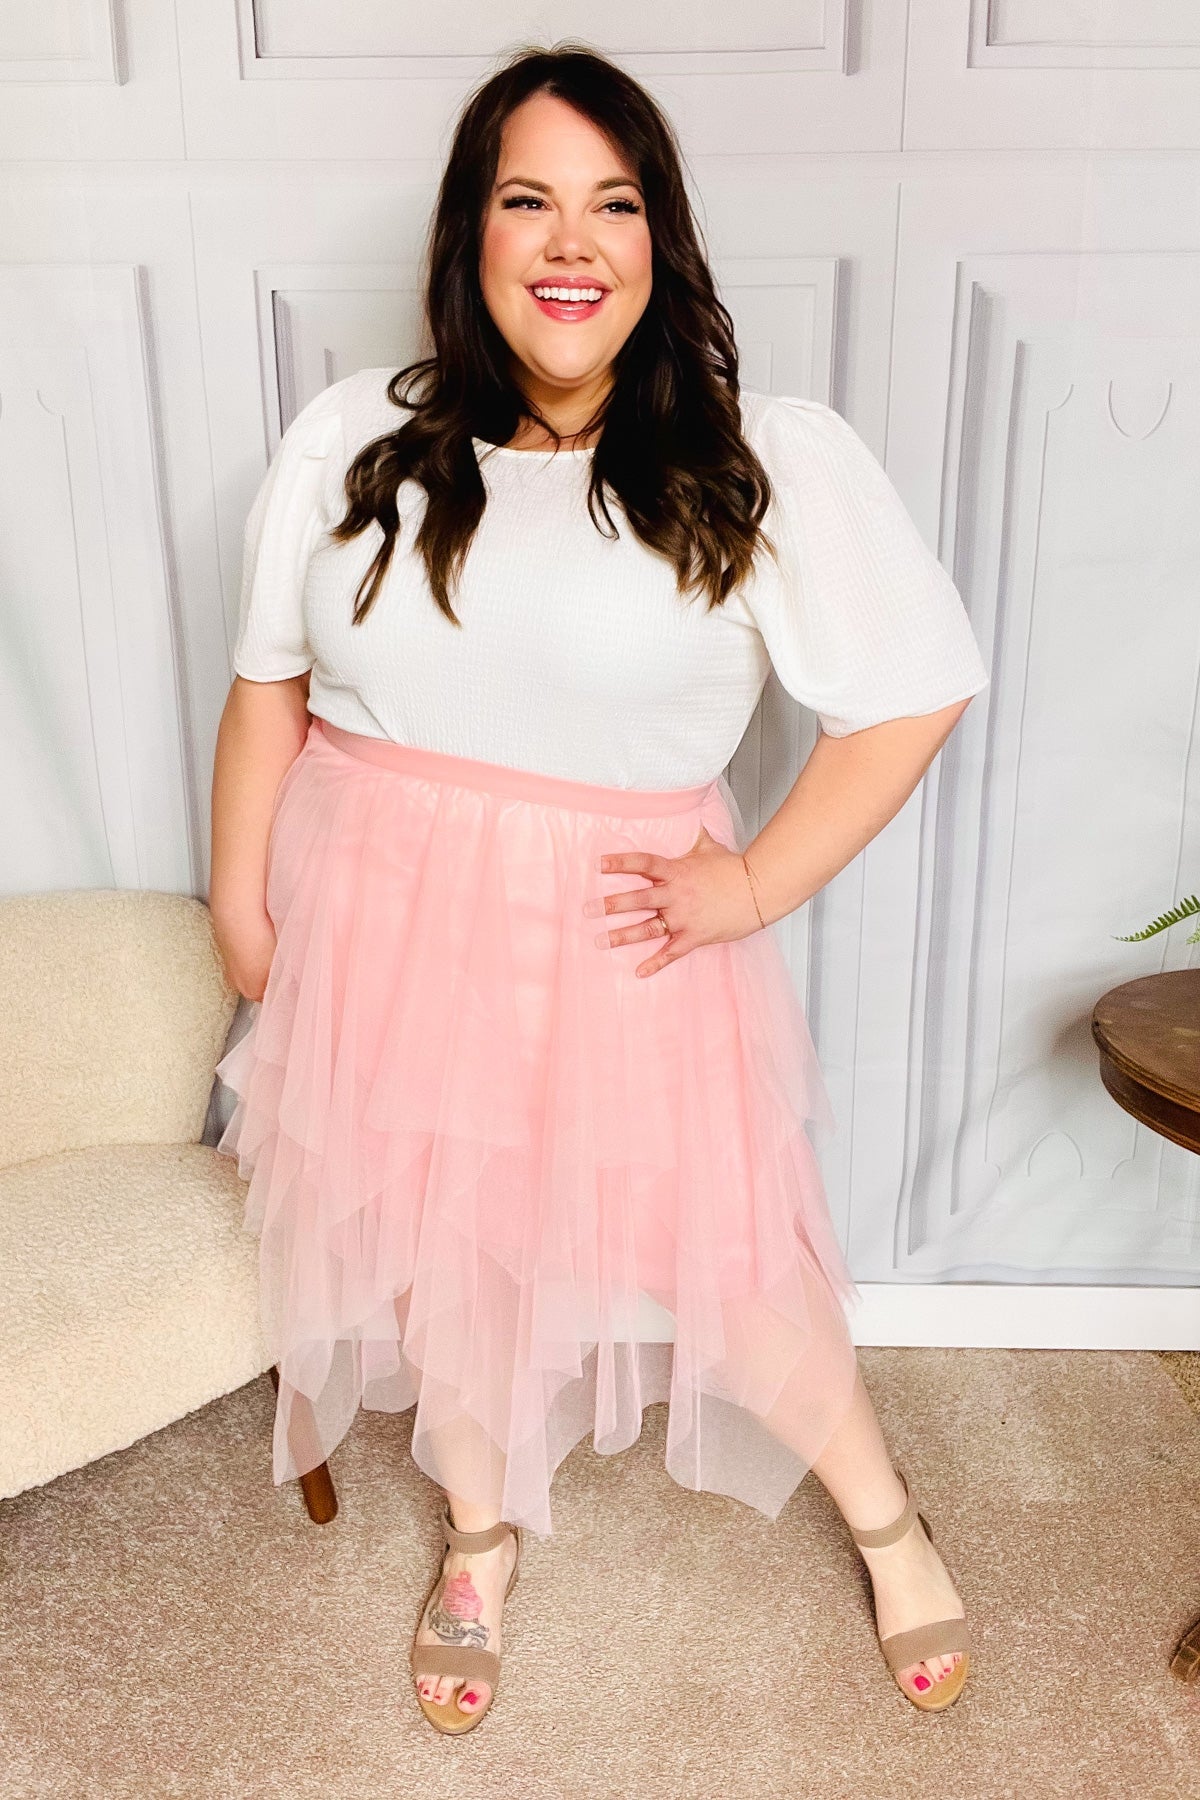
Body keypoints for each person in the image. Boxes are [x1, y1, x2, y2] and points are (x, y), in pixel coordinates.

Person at [209, 43, 988, 1734]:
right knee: (443, 1250)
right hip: (384, 932)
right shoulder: (356, 439)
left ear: (658, 239)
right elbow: (269, 685)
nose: (573, 242)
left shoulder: (756, 459)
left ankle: (886, 1517)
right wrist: (238, 904)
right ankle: (480, 1534)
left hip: (621, 936)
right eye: (530, 200)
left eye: (614, 205)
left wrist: (753, 884)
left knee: (732, 1254)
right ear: (471, 235)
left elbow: (915, 688)